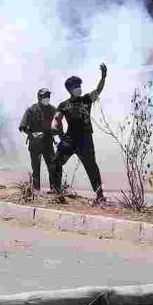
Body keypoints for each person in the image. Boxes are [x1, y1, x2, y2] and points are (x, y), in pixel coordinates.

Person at [52, 63, 108, 202]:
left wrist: (103, 77)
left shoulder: (86, 99)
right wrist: (57, 132)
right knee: (55, 162)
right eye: (76, 86)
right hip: (69, 139)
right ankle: (58, 192)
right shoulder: (64, 104)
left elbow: (98, 90)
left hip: (85, 139)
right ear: (70, 89)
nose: (79, 88)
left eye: (79, 85)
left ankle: (99, 195)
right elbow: (56, 119)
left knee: (91, 166)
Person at [19, 88, 58, 192]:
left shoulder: (53, 110)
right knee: (36, 168)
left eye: (48, 96)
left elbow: (58, 127)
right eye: (45, 96)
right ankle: (36, 190)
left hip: (48, 142)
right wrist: (32, 134)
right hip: (35, 143)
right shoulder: (31, 110)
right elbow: (23, 126)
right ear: (39, 97)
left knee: (52, 166)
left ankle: (54, 189)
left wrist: (55, 132)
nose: (47, 98)